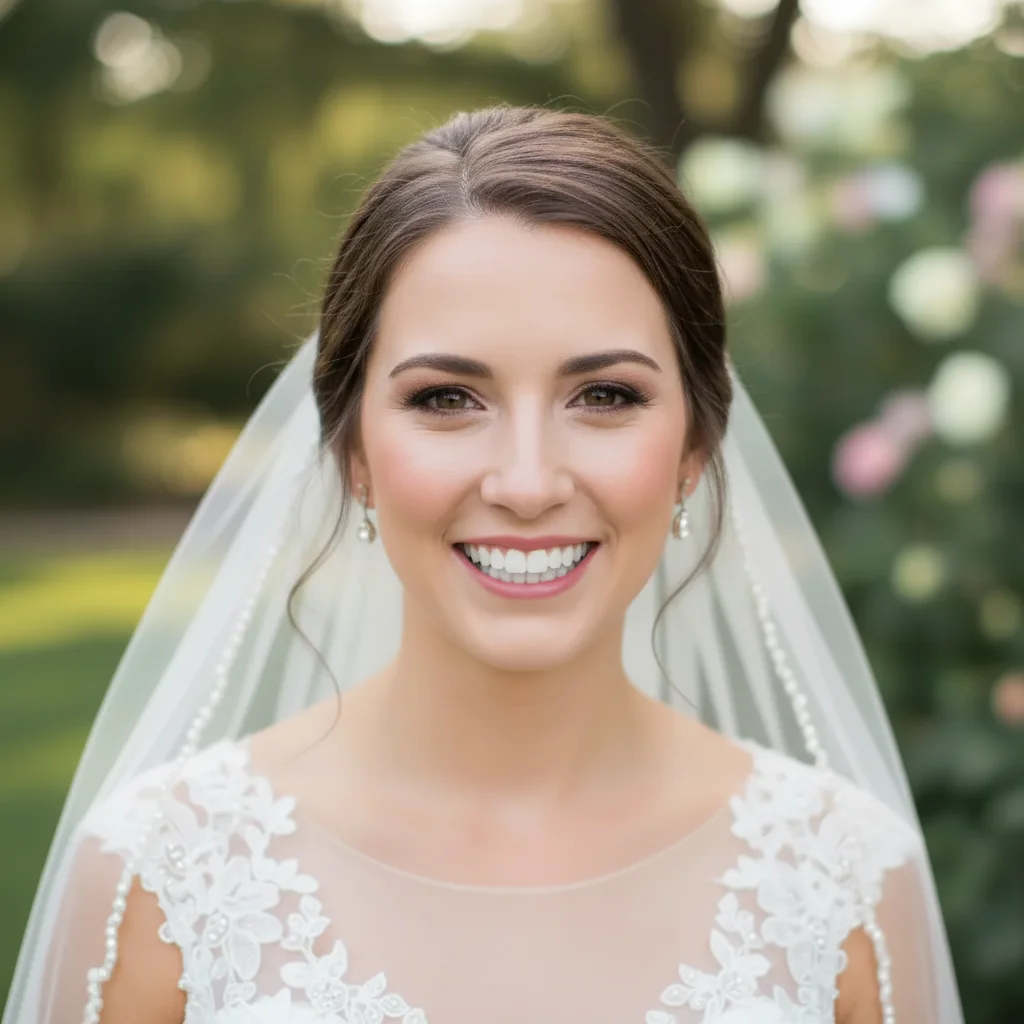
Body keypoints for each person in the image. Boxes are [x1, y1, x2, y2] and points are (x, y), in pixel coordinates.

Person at [4, 106, 962, 1024]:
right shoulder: (159, 875)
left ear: (694, 453)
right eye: (448, 398)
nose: (529, 481)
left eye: (605, 394)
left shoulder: (847, 884)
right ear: (353, 454)